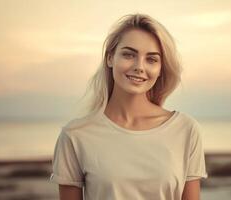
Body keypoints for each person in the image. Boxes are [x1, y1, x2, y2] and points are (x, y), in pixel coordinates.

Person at [50, 13, 208, 200]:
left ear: (160, 69)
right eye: (129, 55)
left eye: (151, 59)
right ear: (110, 58)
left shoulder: (186, 130)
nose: (139, 66)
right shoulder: (75, 135)